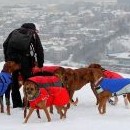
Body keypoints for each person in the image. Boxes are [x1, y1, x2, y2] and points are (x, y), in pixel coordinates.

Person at [3, 23, 44, 108]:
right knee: (28, 82)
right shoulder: (33, 33)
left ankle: (16, 104)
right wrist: (40, 64)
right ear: (33, 28)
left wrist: (8, 59)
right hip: (25, 60)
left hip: (13, 61)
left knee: (14, 82)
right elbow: (39, 50)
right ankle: (28, 103)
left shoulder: (14, 32)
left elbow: (5, 44)